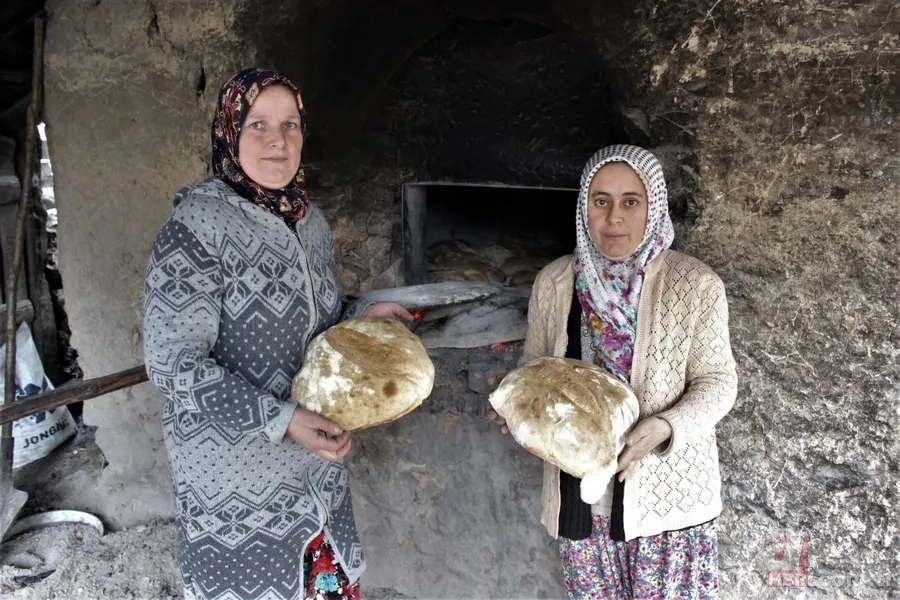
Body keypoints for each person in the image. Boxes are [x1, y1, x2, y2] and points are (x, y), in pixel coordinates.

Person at [143, 68, 411, 600]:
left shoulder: (308, 221)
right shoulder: (195, 229)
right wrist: (283, 420)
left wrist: (363, 319)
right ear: (229, 133)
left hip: (313, 471)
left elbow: (317, 323)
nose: (278, 141)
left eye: (290, 125)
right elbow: (173, 365)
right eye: (258, 125)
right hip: (237, 487)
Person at [490, 144, 737, 598]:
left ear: (653, 207)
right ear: (585, 207)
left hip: (669, 506)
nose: (614, 217)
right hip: (579, 500)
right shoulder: (557, 281)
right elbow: (535, 369)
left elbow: (718, 383)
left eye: (631, 201)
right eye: (600, 201)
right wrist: (519, 410)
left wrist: (664, 426)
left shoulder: (696, 285)